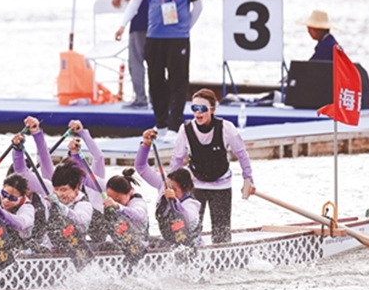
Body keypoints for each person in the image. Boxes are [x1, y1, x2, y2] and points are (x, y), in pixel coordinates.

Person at [120, 0, 204, 141]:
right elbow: (135, 2)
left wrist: (186, 28)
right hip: (154, 36)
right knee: (155, 79)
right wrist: (122, 25)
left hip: (178, 38)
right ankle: (161, 123)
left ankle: (175, 125)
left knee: (178, 81)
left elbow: (198, 6)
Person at [169, 88, 255, 244]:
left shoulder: (226, 128)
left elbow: (242, 154)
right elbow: (177, 159)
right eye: (194, 108)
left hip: (221, 186)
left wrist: (248, 179)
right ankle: (191, 260)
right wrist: (170, 186)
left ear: (213, 109)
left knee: (221, 234)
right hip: (195, 185)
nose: (198, 113)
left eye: (202, 109)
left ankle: (223, 261)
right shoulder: (185, 130)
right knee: (191, 231)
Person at [135, 129, 201, 247]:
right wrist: (146, 145)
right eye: (168, 187)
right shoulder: (163, 185)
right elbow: (141, 167)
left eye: (174, 190)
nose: (168, 191)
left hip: (189, 248)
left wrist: (175, 201)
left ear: (185, 190)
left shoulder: (191, 204)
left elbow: (187, 216)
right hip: (169, 244)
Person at [112, 0, 158, 108]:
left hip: (138, 18)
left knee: (136, 61)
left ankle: (140, 99)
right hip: (157, 21)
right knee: (155, 62)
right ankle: (156, 99)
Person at [103, 168, 150, 242]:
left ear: (130, 192)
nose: (114, 202)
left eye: (118, 200)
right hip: (119, 242)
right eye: (111, 199)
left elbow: (139, 215)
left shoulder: (138, 201)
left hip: (139, 243)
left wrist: (118, 206)